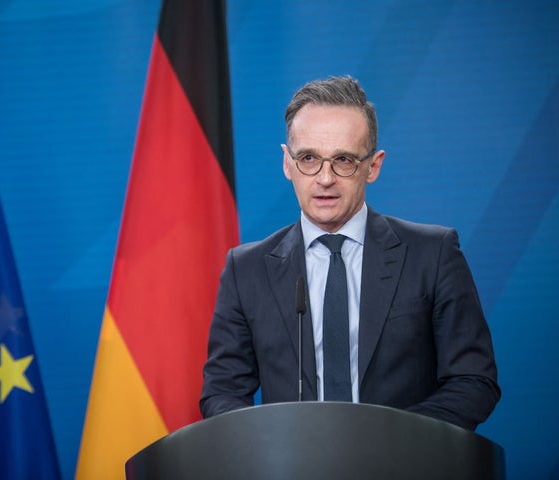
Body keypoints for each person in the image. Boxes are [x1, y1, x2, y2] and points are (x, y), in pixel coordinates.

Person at [199, 76, 500, 431]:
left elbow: (473, 381)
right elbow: (221, 391)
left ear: (373, 166)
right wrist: (271, 446)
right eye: (308, 158)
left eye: (343, 160)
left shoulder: (433, 254)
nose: (325, 178)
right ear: (287, 163)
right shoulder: (245, 269)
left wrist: (389, 442)